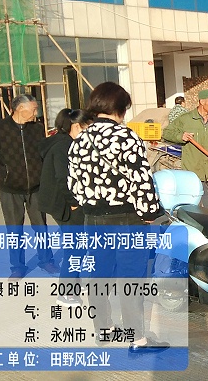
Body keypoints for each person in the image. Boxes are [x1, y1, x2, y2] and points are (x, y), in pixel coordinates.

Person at [67, 82, 168, 356]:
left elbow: (74, 186)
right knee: (131, 279)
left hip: (93, 220)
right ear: (120, 109)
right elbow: (141, 181)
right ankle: (137, 339)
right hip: (127, 219)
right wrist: (150, 214)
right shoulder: (126, 137)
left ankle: (104, 331)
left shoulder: (79, 141)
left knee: (99, 276)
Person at [0, 94, 57, 280]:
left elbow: (42, 154)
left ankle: (46, 260)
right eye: (34, 108)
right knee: (14, 230)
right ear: (20, 109)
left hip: (36, 188)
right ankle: (17, 267)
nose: (36, 112)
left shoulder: (37, 129)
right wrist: (4, 172)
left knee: (41, 227)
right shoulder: (0, 129)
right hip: (10, 189)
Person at [38, 108, 92, 305]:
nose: (89, 131)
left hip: (60, 202)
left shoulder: (63, 142)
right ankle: (66, 291)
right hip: (63, 203)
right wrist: (74, 203)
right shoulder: (63, 146)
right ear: (76, 126)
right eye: (87, 127)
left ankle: (73, 283)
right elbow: (63, 179)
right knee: (75, 245)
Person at [162, 89, 208, 213]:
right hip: (193, 173)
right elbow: (166, 133)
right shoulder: (186, 119)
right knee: (195, 210)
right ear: (202, 101)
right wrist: (180, 136)